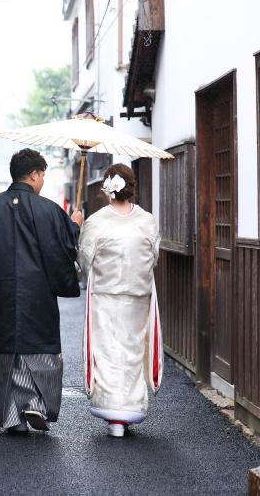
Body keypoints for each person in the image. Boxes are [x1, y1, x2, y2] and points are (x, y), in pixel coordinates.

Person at [0, 148, 84, 433]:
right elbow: (65, 252)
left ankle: (12, 417)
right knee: (40, 355)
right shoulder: (50, 210)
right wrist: (74, 226)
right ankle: (36, 405)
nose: (43, 181)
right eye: (43, 175)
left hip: (2, 298)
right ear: (34, 174)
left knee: (6, 356)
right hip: (38, 298)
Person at [76, 163, 163, 438]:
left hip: (106, 296)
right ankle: (129, 408)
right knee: (133, 350)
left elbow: (85, 260)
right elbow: (154, 256)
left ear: (107, 189)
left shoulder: (96, 221)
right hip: (137, 296)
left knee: (108, 351)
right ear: (131, 186)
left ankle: (114, 413)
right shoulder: (146, 220)